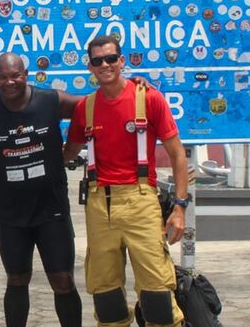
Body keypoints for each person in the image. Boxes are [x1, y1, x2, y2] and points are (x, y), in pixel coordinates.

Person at [64, 35, 189, 327]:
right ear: (90, 66)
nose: (105, 65)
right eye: (97, 61)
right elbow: (67, 153)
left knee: (157, 295)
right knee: (106, 296)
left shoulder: (148, 98)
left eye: (111, 58)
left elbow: (177, 155)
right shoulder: (86, 108)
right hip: (99, 204)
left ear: (121, 61)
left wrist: (179, 207)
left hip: (141, 200)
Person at [0, 52, 82, 327]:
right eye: (3, 77)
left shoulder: (51, 101)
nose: (10, 81)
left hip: (51, 209)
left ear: (26, 74)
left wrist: (71, 149)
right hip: (11, 215)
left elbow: (93, 107)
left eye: (16, 75)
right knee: (16, 279)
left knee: (63, 281)